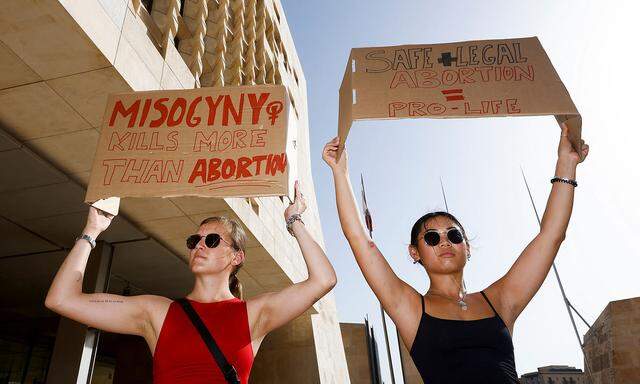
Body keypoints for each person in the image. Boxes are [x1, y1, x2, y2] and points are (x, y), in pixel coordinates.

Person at [322, 125, 588, 383]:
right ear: (415, 253)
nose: (444, 242)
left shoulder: (501, 299)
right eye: (432, 237)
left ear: (466, 247)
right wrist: (340, 173)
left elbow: (551, 236)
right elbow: (360, 239)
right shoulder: (410, 308)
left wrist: (566, 163)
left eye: (454, 235)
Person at [45, 181, 336, 384]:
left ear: (236, 257)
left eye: (211, 240)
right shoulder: (156, 312)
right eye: (194, 240)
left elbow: (323, 280)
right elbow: (61, 300)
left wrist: (294, 220)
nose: (199, 246)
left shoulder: (255, 314)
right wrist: (92, 231)